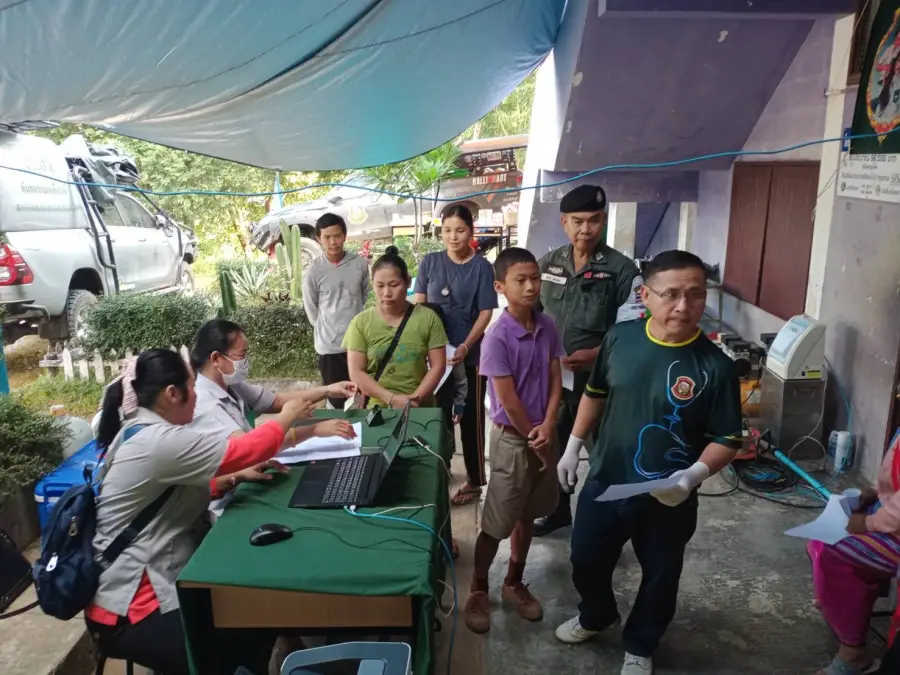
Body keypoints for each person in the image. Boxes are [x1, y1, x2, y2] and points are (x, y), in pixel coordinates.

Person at [554, 250, 742, 675]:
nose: (683, 306)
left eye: (695, 295)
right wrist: (573, 445)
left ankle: (641, 643)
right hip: (607, 478)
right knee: (585, 558)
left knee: (660, 574)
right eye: (671, 294)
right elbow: (595, 394)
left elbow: (728, 439)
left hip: (668, 495)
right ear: (646, 295)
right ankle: (597, 614)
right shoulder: (620, 339)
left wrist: (692, 477)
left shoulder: (716, 367)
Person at [84, 349, 312, 675]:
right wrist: (287, 414)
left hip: (144, 590)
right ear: (172, 393)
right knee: (247, 626)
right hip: (134, 608)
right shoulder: (157, 441)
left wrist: (234, 477)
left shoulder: (140, 431)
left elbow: (168, 495)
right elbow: (245, 449)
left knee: (254, 615)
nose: (197, 396)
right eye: (192, 388)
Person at [533, 184, 645, 537]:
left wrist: (597, 355)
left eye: (594, 220)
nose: (586, 229)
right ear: (564, 222)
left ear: (604, 221)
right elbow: (530, 316)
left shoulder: (622, 271)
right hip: (555, 383)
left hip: (602, 384)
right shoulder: (547, 265)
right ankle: (557, 511)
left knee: (604, 455)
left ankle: (604, 525)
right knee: (552, 448)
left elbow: (635, 331)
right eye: (578, 221)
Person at [463, 247, 564, 634]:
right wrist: (533, 435)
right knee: (496, 521)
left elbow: (555, 378)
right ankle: (478, 588)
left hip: (544, 435)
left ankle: (514, 581)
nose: (531, 286)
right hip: (513, 440)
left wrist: (549, 423)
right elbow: (507, 399)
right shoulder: (496, 337)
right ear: (500, 287)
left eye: (535, 278)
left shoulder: (548, 325)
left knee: (528, 512)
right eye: (520, 280)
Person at [414, 204, 497, 506]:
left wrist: (465, 346)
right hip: (436, 357)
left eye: (460, 230)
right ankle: (442, 469)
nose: (453, 236)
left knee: (471, 419)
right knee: (439, 415)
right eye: (447, 230)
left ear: (471, 232)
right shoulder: (430, 263)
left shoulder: (482, 268)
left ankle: (475, 479)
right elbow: (420, 305)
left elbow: (486, 312)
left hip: (470, 356)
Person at [808, 429, 900, 675]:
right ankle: (838, 606)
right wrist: (875, 492)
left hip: (895, 531)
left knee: (836, 552)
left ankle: (853, 654)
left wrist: (867, 523)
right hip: (890, 521)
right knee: (818, 540)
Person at [189, 318, 357, 443]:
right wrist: (305, 425)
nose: (246, 361)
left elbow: (275, 401)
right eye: (242, 355)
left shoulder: (232, 385)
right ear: (216, 358)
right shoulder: (205, 403)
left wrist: (328, 390)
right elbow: (248, 448)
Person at [344, 245, 448, 408]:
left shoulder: (428, 318)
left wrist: (414, 399)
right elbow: (356, 372)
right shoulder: (360, 323)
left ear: (408, 281)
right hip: (377, 410)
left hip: (420, 408)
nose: (386, 293)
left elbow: (438, 366)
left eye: (394, 285)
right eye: (380, 286)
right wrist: (392, 399)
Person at [302, 213, 370, 408]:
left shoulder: (359, 264)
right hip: (329, 346)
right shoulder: (314, 270)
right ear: (318, 238)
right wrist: (328, 328)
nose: (333, 242)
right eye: (327, 237)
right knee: (337, 399)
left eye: (337, 236)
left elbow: (363, 294)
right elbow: (311, 308)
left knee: (362, 395)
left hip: (357, 342)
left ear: (345, 235)